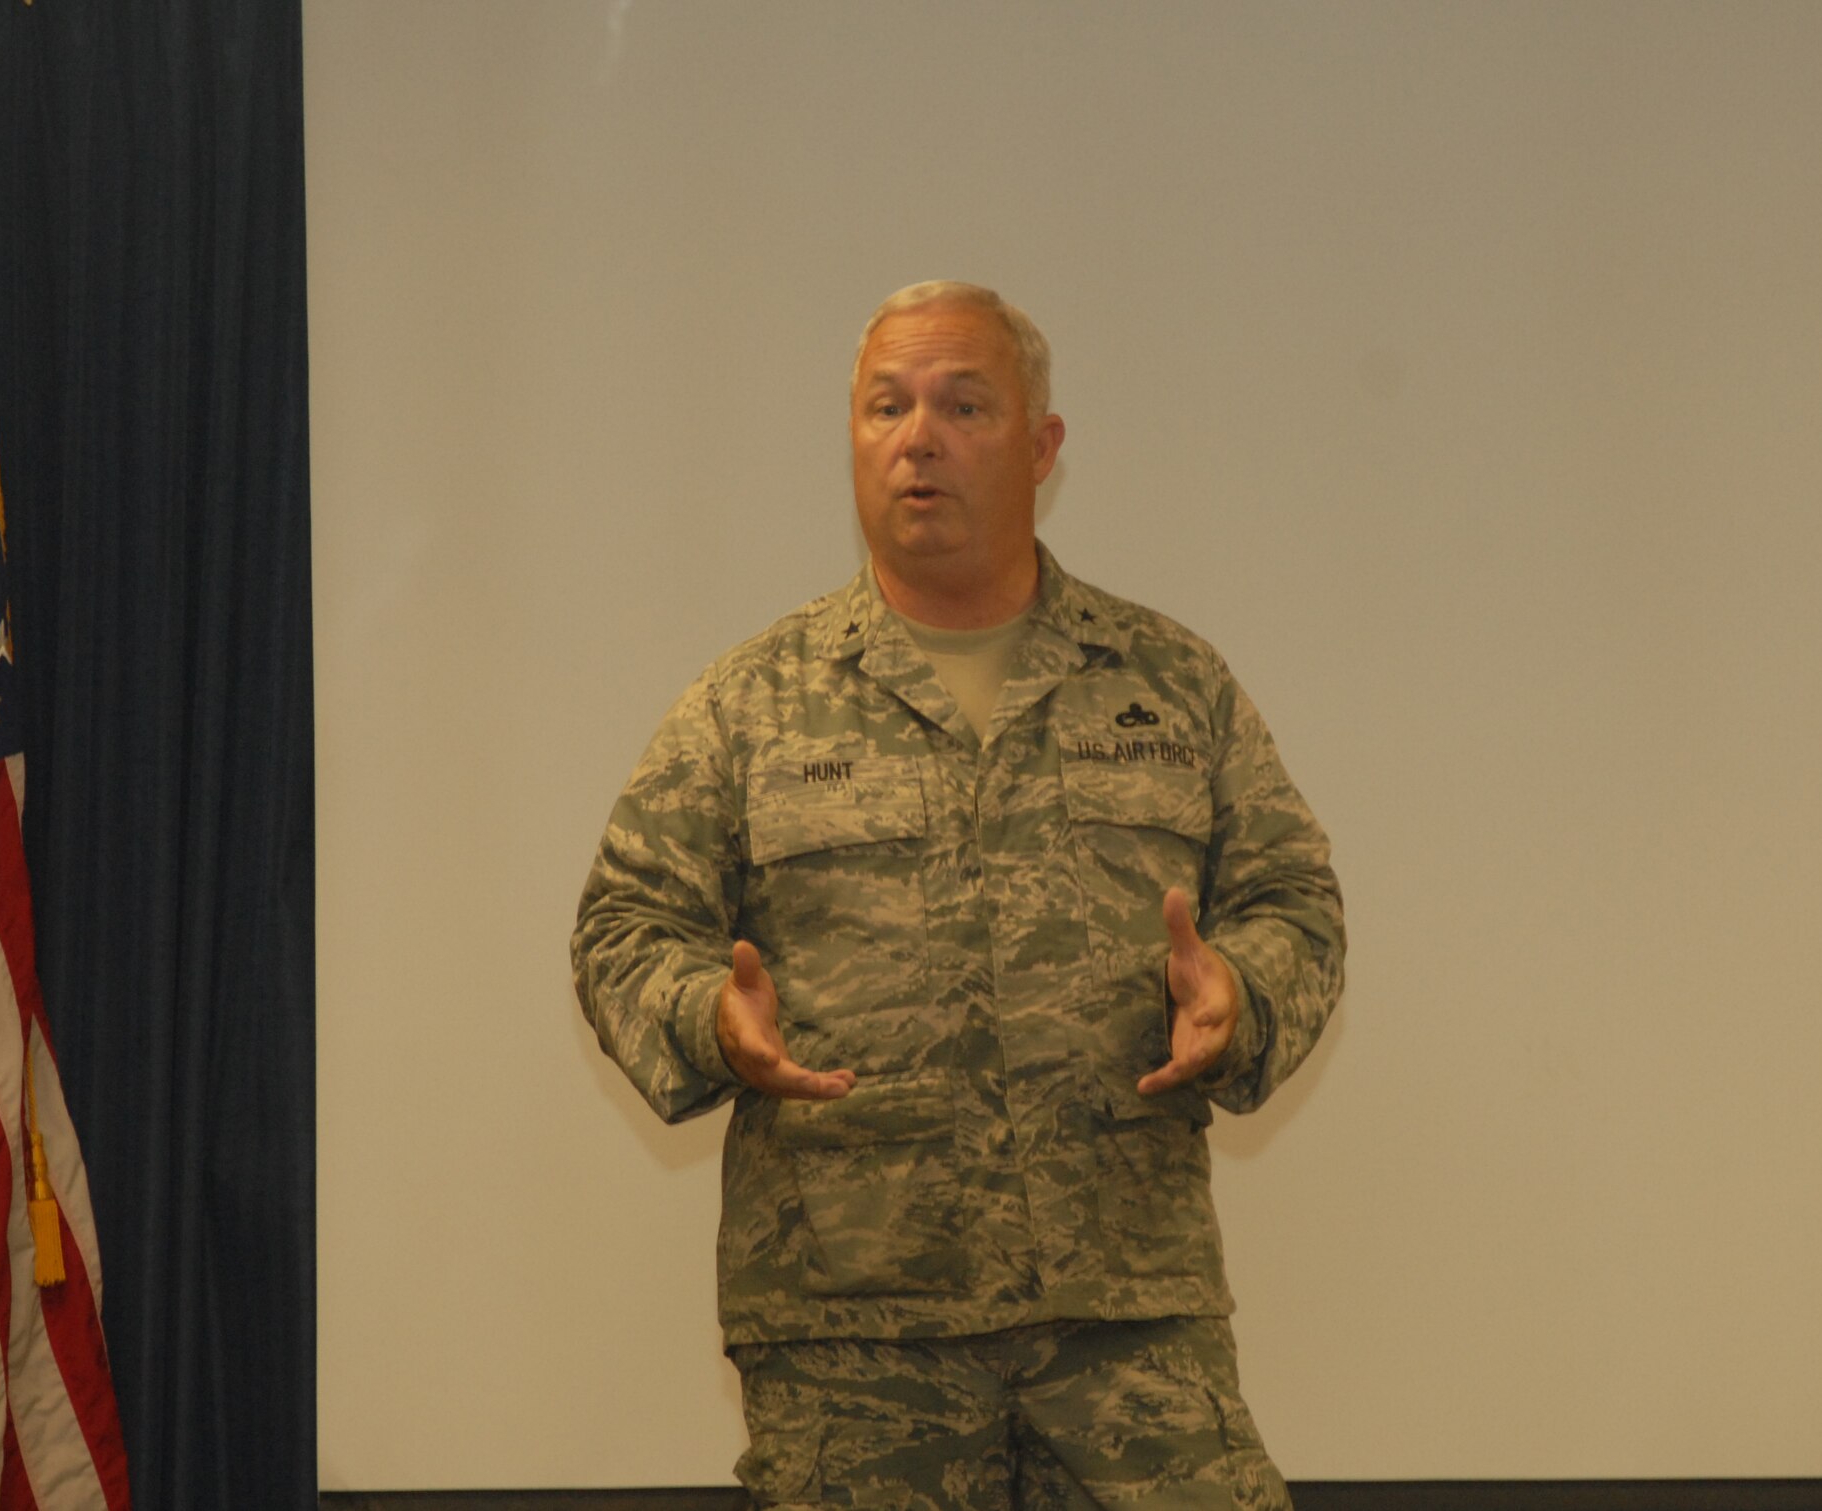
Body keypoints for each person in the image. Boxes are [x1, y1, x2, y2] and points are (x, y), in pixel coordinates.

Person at [572, 280, 1345, 1509]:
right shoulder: (751, 703)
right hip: (852, 1333)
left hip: (1124, 1310)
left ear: (1039, 447)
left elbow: (1289, 896)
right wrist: (704, 1016)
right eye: (886, 407)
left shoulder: (1166, 680)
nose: (916, 438)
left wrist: (1240, 995)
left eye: (960, 405)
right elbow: (623, 926)